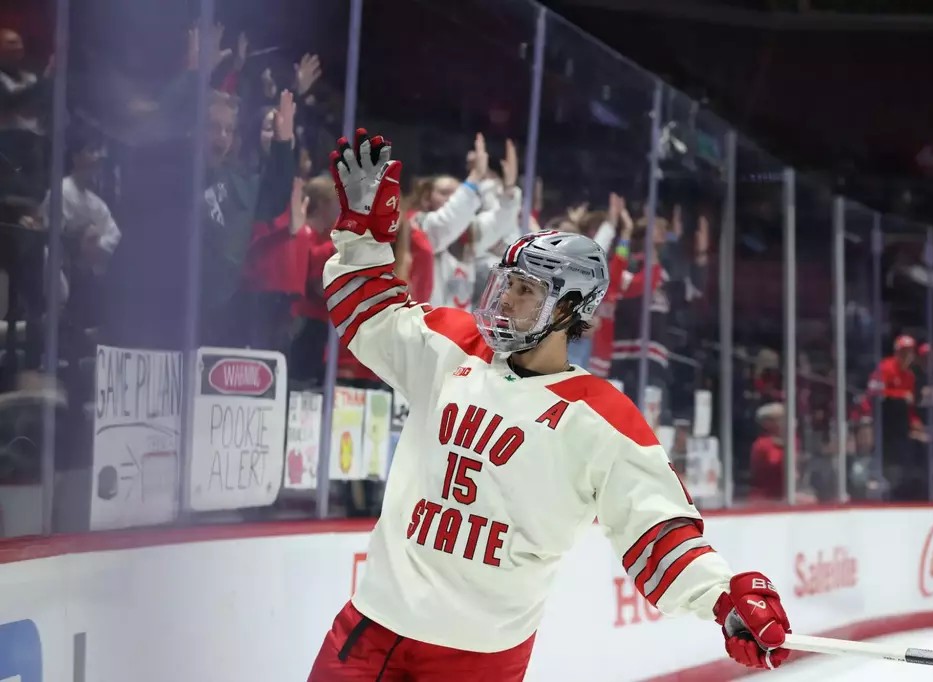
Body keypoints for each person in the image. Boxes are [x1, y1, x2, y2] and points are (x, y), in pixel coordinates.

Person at [308, 130, 791, 681]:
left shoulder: (601, 417)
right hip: (375, 625)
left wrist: (725, 599)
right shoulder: (451, 345)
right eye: (507, 284)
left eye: (527, 291)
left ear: (569, 309)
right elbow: (367, 314)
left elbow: (658, 530)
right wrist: (364, 238)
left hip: (481, 656)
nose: (506, 299)